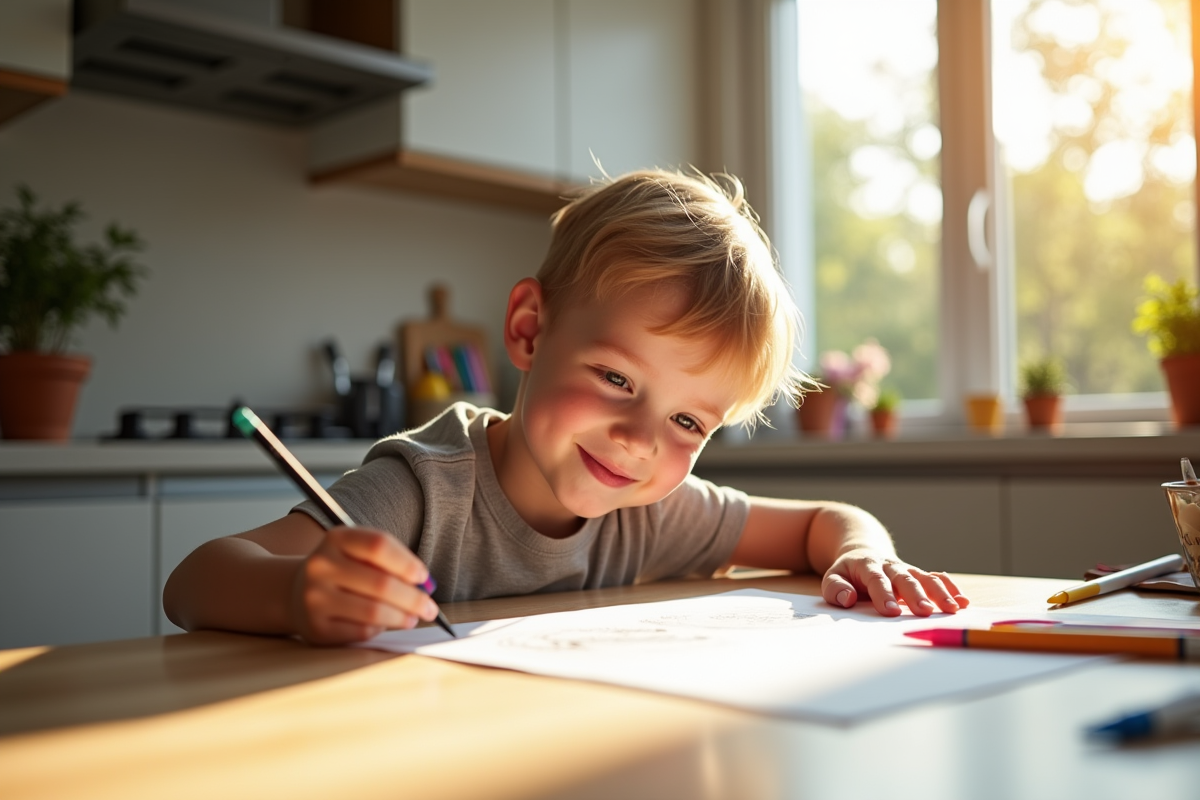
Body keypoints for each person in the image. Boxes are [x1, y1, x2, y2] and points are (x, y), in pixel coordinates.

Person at [164, 169, 968, 645]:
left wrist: (864, 556)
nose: (638, 441)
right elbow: (196, 579)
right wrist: (295, 595)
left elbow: (824, 519)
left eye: (689, 422)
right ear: (529, 329)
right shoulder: (423, 487)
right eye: (618, 379)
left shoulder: (650, 508)